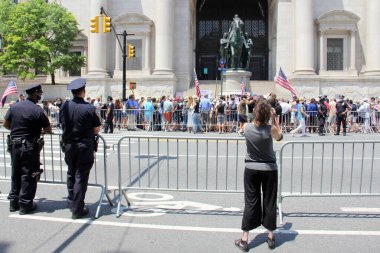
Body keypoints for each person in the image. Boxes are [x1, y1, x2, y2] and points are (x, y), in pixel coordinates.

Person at [235, 99, 282, 252]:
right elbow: (280, 137)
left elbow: (241, 130)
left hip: (251, 167)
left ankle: (244, 239)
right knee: (269, 200)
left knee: (251, 201)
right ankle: (270, 235)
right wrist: (274, 119)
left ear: (255, 113)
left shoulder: (247, 127)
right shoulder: (271, 129)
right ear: (268, 114)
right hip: (269, 167)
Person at [3, 84, 52, 214]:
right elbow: (48, 129)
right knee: (29, 174)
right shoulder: (37, 110)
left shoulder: (15, 107)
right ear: (35, 94)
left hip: (14, 145)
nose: (40, 96)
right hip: (29, 146)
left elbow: (6, 124)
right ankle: (25, 204)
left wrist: (17, 131)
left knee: (16, 173)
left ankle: (14, 203)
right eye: (39, 94)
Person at [60, 78, 101, 219]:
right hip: (84, 145)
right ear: (83, 91)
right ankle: (77, 209)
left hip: (69, 145)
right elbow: (96, 129)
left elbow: (62, 124)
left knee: (71, 173)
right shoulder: (89, 108)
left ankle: (72, 202)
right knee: (81, 177)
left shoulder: (64, 106)